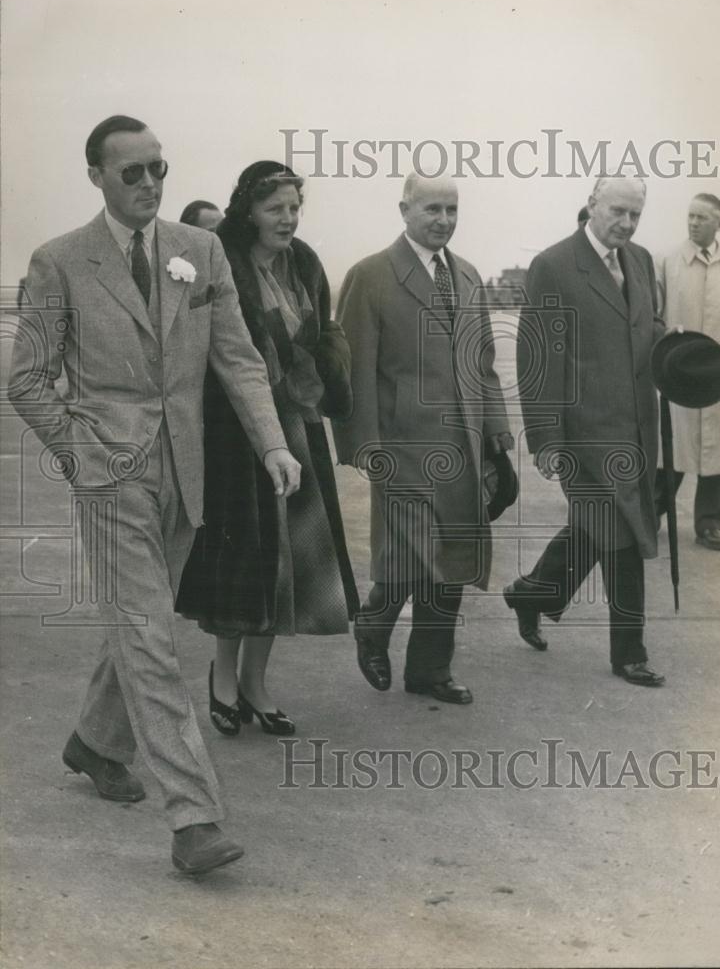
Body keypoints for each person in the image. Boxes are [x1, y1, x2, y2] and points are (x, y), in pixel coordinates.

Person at [8, 116, 301, 874]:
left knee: (141, 624)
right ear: (96, 175)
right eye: (131, 172)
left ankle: (94, 742)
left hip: (187, 471)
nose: (148, 185)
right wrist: (78, 455)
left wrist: (272, 441)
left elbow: (236, 358)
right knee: (150, 638)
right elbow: (27, 378)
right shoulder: (59, 262)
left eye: (158, 170)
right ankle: (193, 818)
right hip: (111, 476)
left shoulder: (198, 252)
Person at [176, 161, 359, 736]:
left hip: (299, 431)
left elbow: (325, 328)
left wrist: (329, 376)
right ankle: (224, 679)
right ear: (248, 210)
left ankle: (256, 685)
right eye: (275, 208)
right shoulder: (220, 257)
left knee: (290, 571)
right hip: (236, 436)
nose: (287, 218)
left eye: (294, 207)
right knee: (243, 566)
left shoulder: (304, 260)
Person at [332, 173, 512, 705]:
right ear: (404, 210)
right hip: (402, 447)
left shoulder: (469, 276)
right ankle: (374, 623)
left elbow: (484, 366)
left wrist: (498, 434)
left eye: (452, 210)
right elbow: (353, 368)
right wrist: (361, 444)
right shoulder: (371, 275)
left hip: (465, 447)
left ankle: (430, 670)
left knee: (452, 558)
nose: (444, 221)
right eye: (432, 209)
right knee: (414, 555)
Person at [505, 176, 666, 687]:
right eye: (617, 211)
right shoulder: (553, 266)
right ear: (592, 204)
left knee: (598, 531)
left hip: (637, 429)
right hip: (585, 437)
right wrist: (547, 439)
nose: (626, 223)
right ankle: (629, 652)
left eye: (635, 215)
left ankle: (530, 593)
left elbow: (645, 328)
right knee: (621, 537)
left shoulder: (639, 260)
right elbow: (536, 359)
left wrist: (675, 346)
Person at [654, 194, 720, 551]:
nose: (693, 223)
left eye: (702, 218)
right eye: (690, 216)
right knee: (672, 446)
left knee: (719, 449)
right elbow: (654, 314)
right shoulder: (668, 262)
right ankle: (650, 514)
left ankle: (709, 524)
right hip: (681, 369)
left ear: (719, 223)